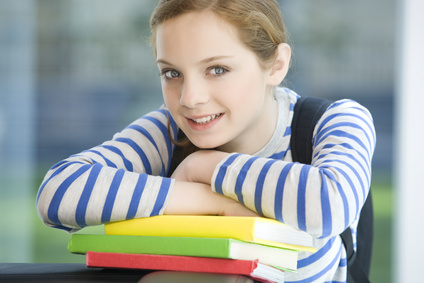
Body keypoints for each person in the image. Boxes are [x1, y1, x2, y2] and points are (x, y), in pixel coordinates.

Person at [36, 0, 376, 282]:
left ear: (276, 65)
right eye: (172, 73)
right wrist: (215, 202)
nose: (190, 98)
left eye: (217, 69)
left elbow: (329, 205)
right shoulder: (169, 132)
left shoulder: (331, 122)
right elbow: (58, 192)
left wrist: (208, 165)